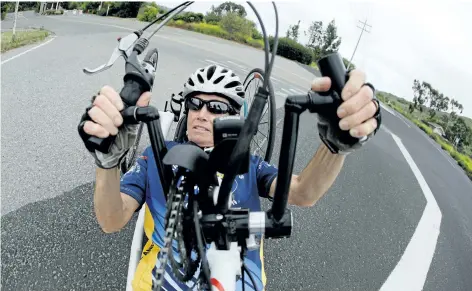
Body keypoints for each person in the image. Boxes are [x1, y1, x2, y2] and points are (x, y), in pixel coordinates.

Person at [79, 64, 381, 291]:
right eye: (195, 103)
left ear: (236, 117)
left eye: (217, 107)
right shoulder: (156, 155)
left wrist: (334, 147)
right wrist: (106, 163)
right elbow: (110, 219)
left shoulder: (249, 165)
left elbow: (304, 192)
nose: (202, 113)